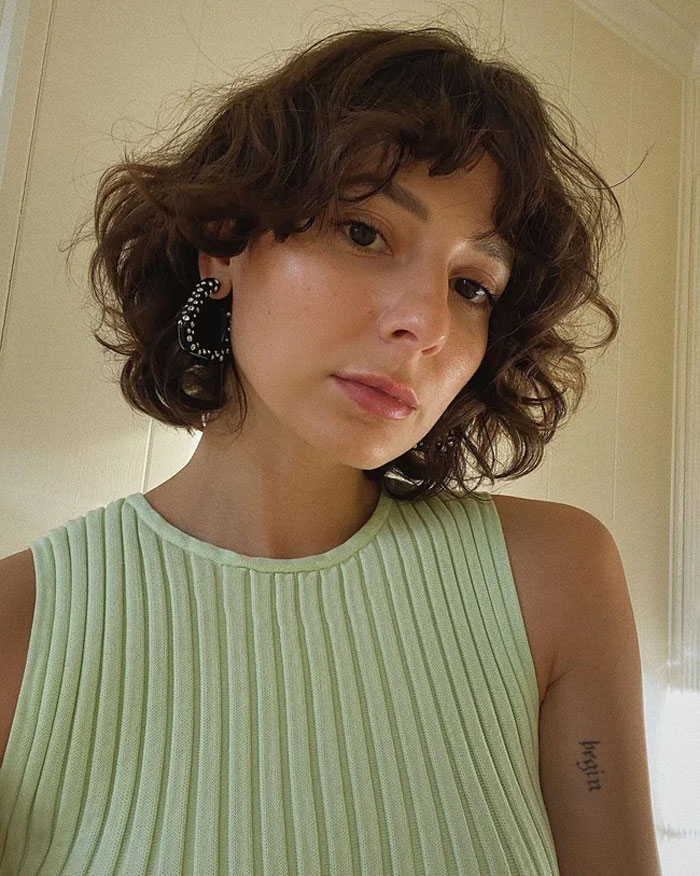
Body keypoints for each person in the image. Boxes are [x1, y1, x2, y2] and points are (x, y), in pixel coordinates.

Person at [0, 23, 661, 876]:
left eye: (471, 286)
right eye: (363, 233)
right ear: (225, 245)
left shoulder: (558, 578)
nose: (425, 324)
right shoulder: (19, 626)